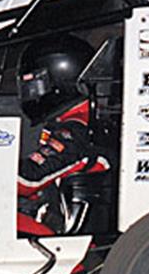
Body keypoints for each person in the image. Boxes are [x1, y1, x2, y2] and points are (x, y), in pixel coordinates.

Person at [15, 34, 112, 236]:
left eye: (33, 84)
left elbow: (27, 180)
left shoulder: (77, 129)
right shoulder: (77, 121)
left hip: (74, 245)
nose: (31, 93)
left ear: (60, 79)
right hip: (62, 228)